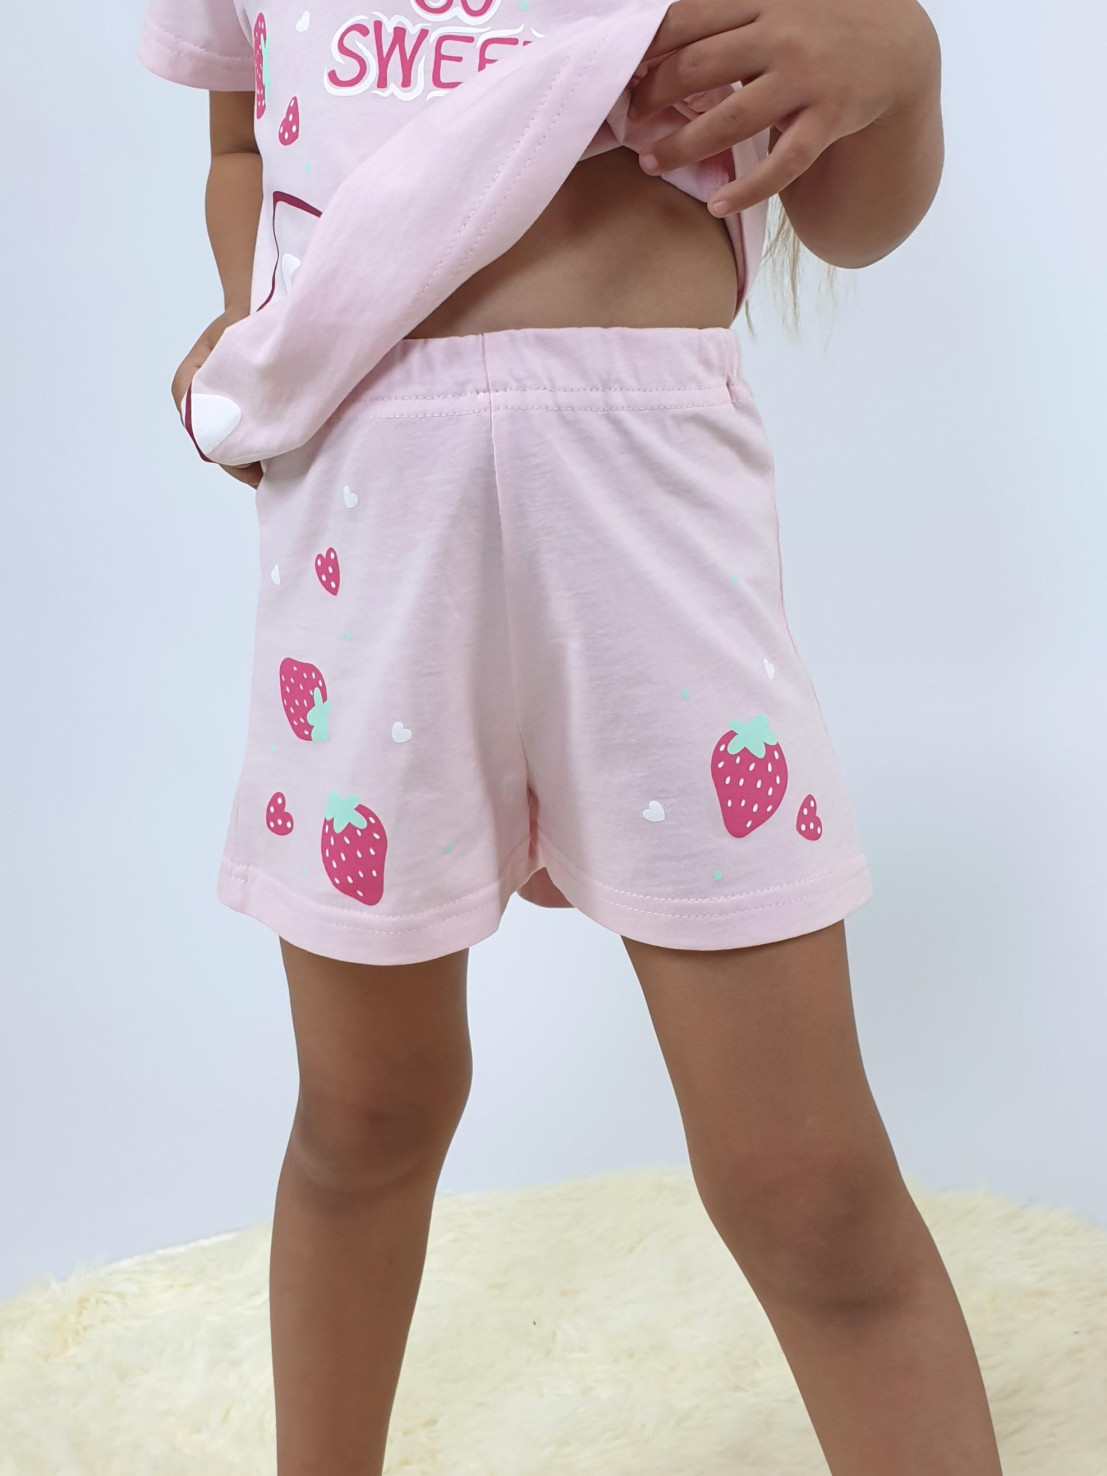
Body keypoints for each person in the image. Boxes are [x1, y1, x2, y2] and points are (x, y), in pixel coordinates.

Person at [138, 0, 1004, 1471]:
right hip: (364, 521)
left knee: (807, 1185)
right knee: (364, 1117)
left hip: (648, 511)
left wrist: (904, 65)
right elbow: (237, 137)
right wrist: (263, 317)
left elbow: (850, 217)